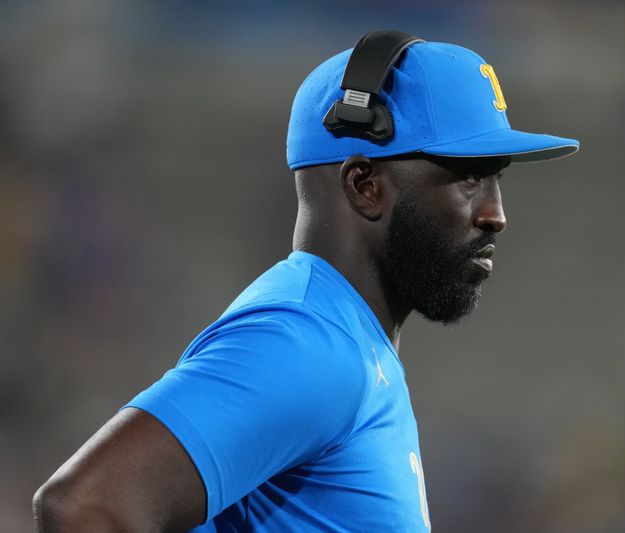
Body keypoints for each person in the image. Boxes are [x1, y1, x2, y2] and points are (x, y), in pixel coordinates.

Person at [32, 30, 579, 532]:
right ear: (365, 184)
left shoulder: (343, 340)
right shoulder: (311, 341)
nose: (495, 214)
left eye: (495, 179)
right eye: (468, 177)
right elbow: (87, 504)